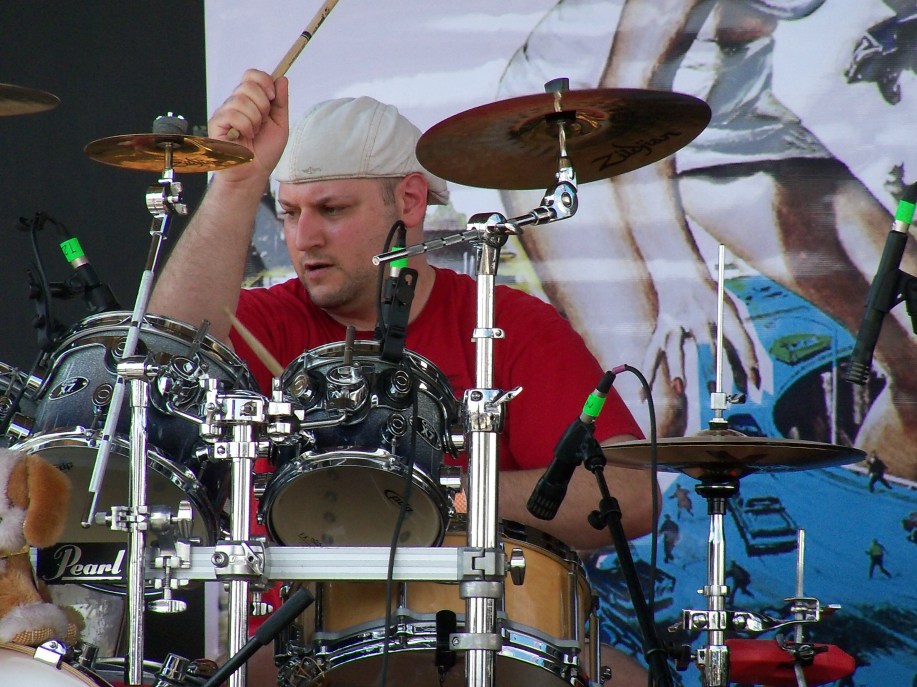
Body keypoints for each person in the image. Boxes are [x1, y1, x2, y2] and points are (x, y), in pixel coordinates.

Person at [148, 69, 657, 685]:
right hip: (307, 643)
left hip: (486, 630)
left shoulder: (507, 322)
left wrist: (434, 497)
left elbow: (630, 497)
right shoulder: (263, 321)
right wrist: (236, 183)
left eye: (332, 209)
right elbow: (165, 362)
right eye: (289, 212)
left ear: (411, 202)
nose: (304, 238)